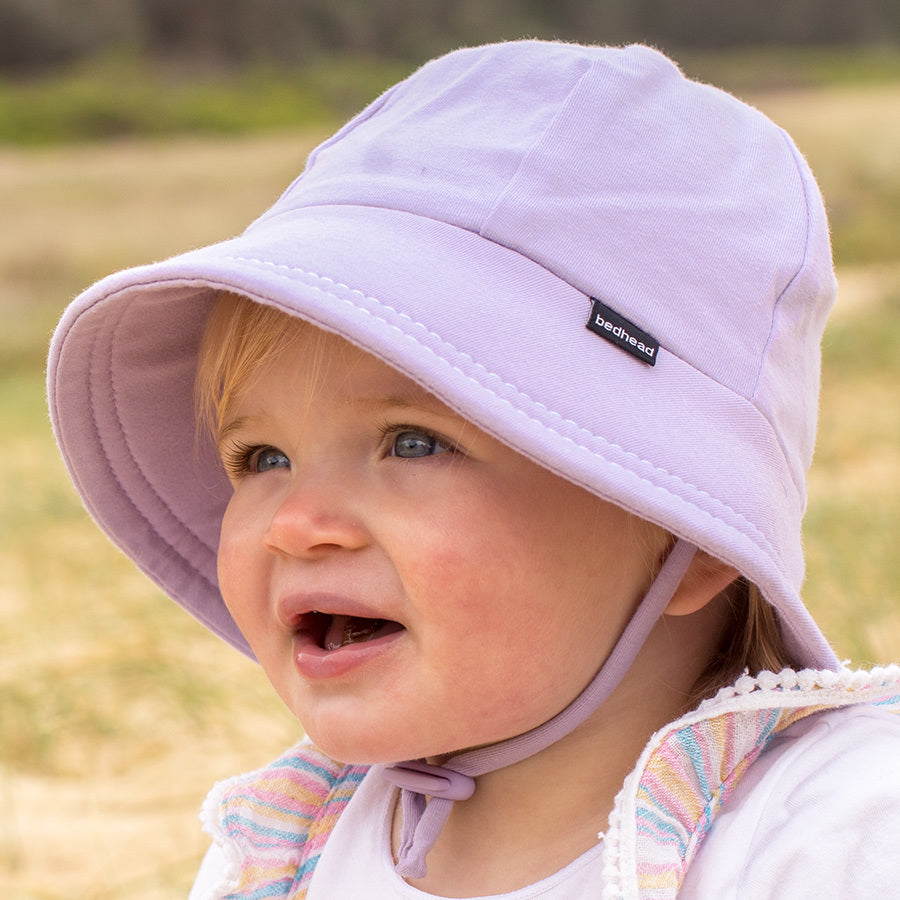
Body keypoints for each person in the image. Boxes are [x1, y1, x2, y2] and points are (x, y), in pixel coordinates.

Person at [47, 40, 900, 899]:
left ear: (690, 530)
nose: (293, 523)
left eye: (413, 443)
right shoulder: (281, 851)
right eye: (260, 458)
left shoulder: (834, 835)